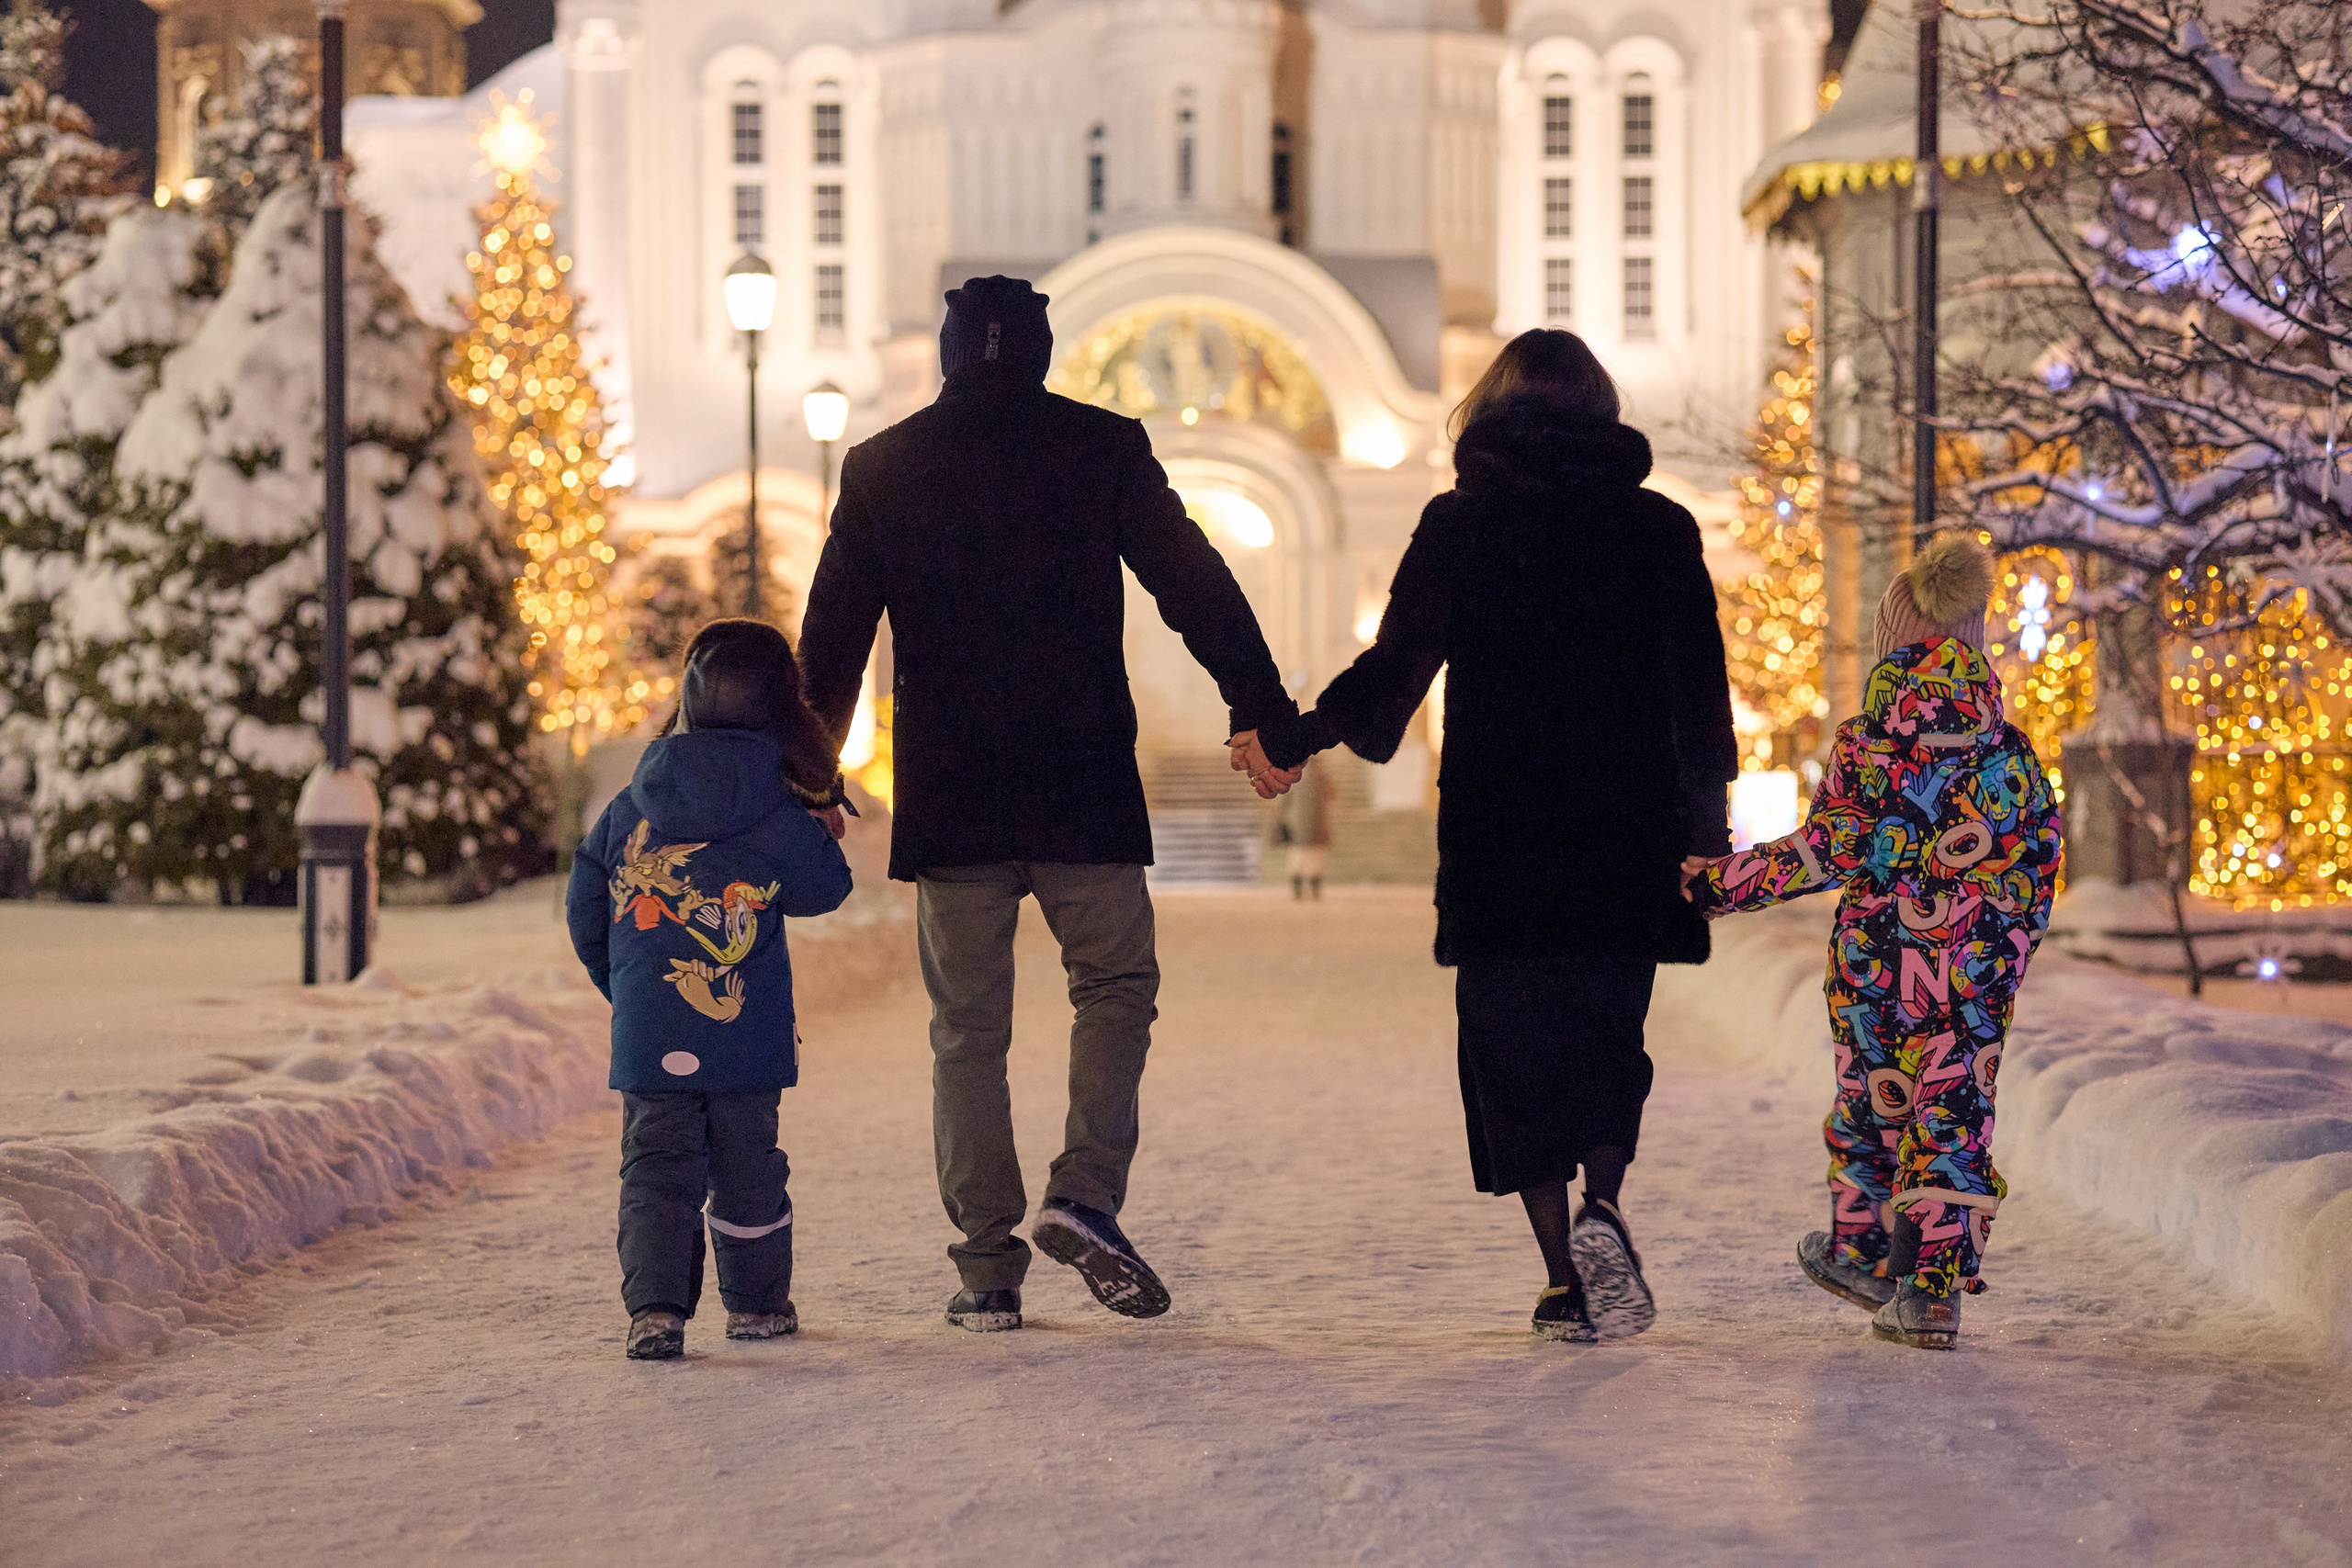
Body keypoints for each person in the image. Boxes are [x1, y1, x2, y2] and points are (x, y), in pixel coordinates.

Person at [797, 276, 1296, 1333]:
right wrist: (1258, 704)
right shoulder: (1100, 448)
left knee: (966, 1031)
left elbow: (832, 634)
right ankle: (1084, 1194)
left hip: (953, 794)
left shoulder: (882, 468)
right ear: (1038, 354)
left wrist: (808, 778)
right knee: (1114, 984)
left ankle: (985, 1269)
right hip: (1079, 783)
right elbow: (1191, 579)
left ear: (944, 355)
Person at [1238, 329, 1737, 1343]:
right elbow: (1699, 692)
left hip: (1505, 835)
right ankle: (1605, 1206)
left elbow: (1397, 668)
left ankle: (1566, 1275)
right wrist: (1705, 833)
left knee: (1512, 1059)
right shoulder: (1658, 529)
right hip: (1624, 829)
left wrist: (1291, 737)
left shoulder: (1462, 525)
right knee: (1608, 1039)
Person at [1686, 535, 2061, 1350]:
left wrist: (1712, 884)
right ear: (1974, 639)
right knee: (1954, 1114)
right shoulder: (2010, 750)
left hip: (1878, 967)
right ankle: (1931, 1291)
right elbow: (2040, 866)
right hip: (1975, 971)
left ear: (1895, 642)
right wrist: (2003, 950)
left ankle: (1866, 1254)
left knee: (1877, 1106)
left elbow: (1822, 852)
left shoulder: (1869, 742)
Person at [566, 619, 855, 1360]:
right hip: (744, 1038)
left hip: (651, 1031)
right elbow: (827, 888)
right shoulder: (773, 810)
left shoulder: (632, 804)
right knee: (747, 1168)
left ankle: (655, 1312)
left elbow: (586, 903)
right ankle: (757, 1306)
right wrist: (818, 824)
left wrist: (630, 991)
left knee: (655, 1169)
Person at [1275, 757, 1334, 899]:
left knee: (1298, 859)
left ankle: (1298, 892)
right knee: (1315, 860)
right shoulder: (1322, 778)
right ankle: (1314, 892)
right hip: (1316, 827)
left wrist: (1282, 818)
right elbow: (1332, 794)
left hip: (1297, 826)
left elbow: (1284, 802)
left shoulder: (1293, 779)